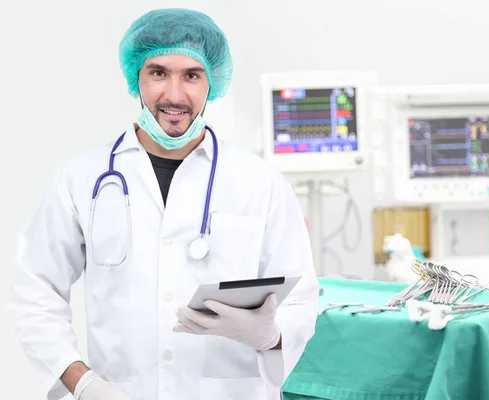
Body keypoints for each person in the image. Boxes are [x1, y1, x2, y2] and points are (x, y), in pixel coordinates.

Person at [8, 8, 320, 400]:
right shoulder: (79, 179)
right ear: (135, 77)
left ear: (213, 82)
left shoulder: (261, 183)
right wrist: (82, 382)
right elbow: (34, 289)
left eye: (191, 75)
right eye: (158, 73)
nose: (174, 95)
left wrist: (272, 336)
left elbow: (303, 298)